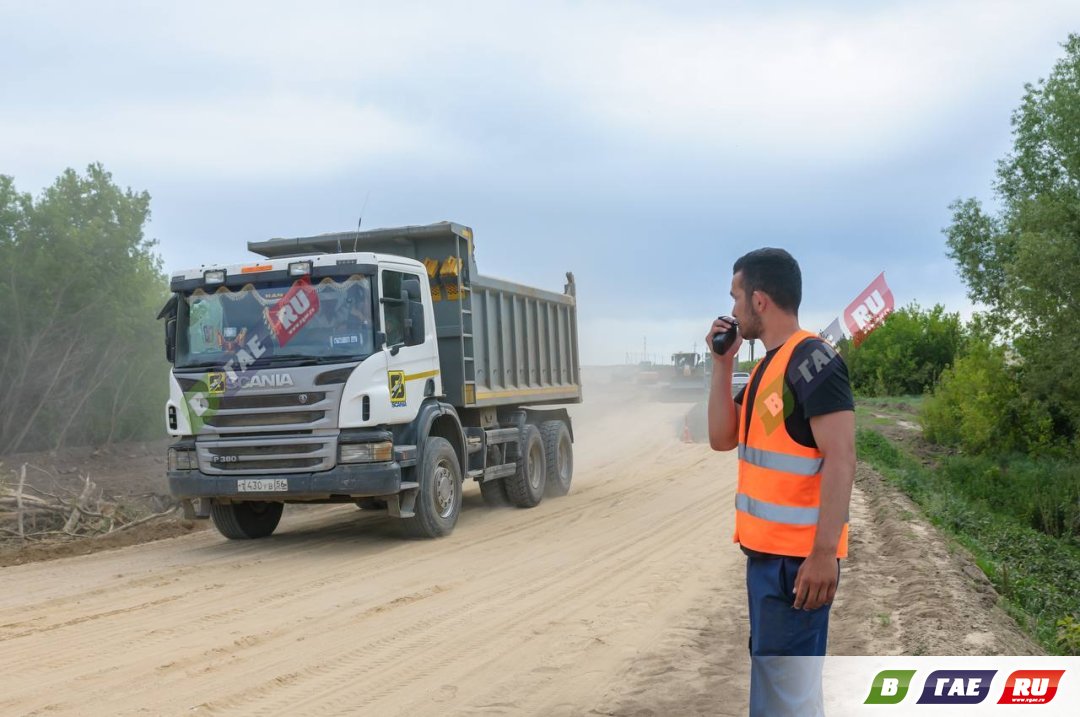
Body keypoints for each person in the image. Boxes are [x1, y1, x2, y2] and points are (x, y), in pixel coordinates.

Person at [705, 248, 855, 717]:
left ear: (760, 299)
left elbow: (842, 458)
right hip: (767, 563)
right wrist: (722, 363)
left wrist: (823, 554)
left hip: (799, 566)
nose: (732, 310)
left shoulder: (813, 360)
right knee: (781, 691)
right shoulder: (768, 366)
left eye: (736, 297)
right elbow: (720, 437)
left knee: (786, 698)